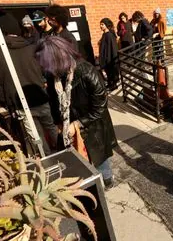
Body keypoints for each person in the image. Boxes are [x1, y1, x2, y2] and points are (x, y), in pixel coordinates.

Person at [35, 36, 117, 189]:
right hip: (70, 125)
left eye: (46, 62)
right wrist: (59, 122)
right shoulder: (55, 75)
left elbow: (100, 106)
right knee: (81, 159)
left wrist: (78, 123)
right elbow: (54, 102)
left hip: (93, 125)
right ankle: (91, 183)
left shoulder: (86, 71)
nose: (44, 67)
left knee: (99, 158)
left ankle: (107, 180)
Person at [0, 13, 58, 155]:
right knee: (51, 127)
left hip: (20, 104)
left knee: (36, 136)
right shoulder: (32, 48)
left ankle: (49, 159)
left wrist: (6, 104)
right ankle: (65, 150)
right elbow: (44, 71)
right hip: (40, 97)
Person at [99, 18, 119, 91]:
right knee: (108, 72)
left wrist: (113, 59)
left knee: (111, 72)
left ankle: (113, 85)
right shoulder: (104, 34)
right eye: (100, 25)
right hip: (106, 57)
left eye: (102, 24)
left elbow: (113, 48)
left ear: (106, 25)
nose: (101, 26)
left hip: (110, 58)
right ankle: (110, 84)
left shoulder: (109, 35)